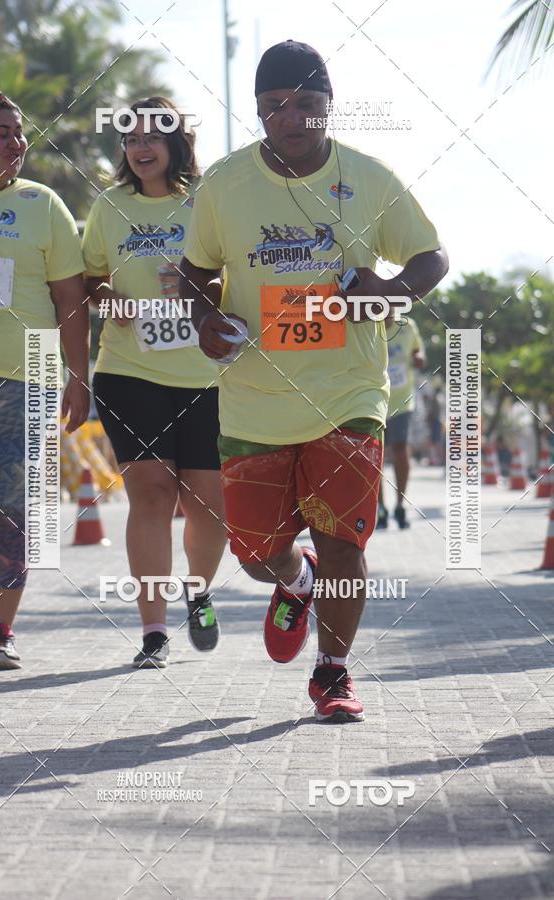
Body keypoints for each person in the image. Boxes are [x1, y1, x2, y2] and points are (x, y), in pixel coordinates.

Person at [181, 41, 448, 721]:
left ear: (329, 107)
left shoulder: (370, 179)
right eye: (275, 105)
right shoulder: (224, 185)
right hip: (254, 401)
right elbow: (194, 270)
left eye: (306, 104)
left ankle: (333, 673)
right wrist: (205, 317)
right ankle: (295, 579)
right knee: (254, 555)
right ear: (257, 111)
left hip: (348, 393)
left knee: (343, 542)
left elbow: (431, 256)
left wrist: (390, 291)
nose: (291, 118)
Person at [83, 97, 225, 669]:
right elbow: (91, 277)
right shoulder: (110, 205)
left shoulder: (206, 199)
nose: (141, 148)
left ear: (176, 143)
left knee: (207, 505)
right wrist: (109, 298)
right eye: (131, 139)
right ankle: (154, 632)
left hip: (206, 376)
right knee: (153, 495)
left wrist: (203, 291)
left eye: (153, 137)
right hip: (129, 371)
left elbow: (237, 277)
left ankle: (199, 592)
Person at [0, 92, 89, 668]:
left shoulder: (43, 203)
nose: (16, 143)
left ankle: (1, 631)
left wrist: (79, 375)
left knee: (13, 506)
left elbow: (70, 297)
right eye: (1, 133)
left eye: (20, 132)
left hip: (28, 370)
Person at [376, 313, 425, 529]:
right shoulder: (367, 324)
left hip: (402, 402)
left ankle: (400, 505)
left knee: (401, 451)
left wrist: (419, 358)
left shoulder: (407, 325)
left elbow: (417, 350)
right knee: (375, 456)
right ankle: (380, 507)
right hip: (374, 401)